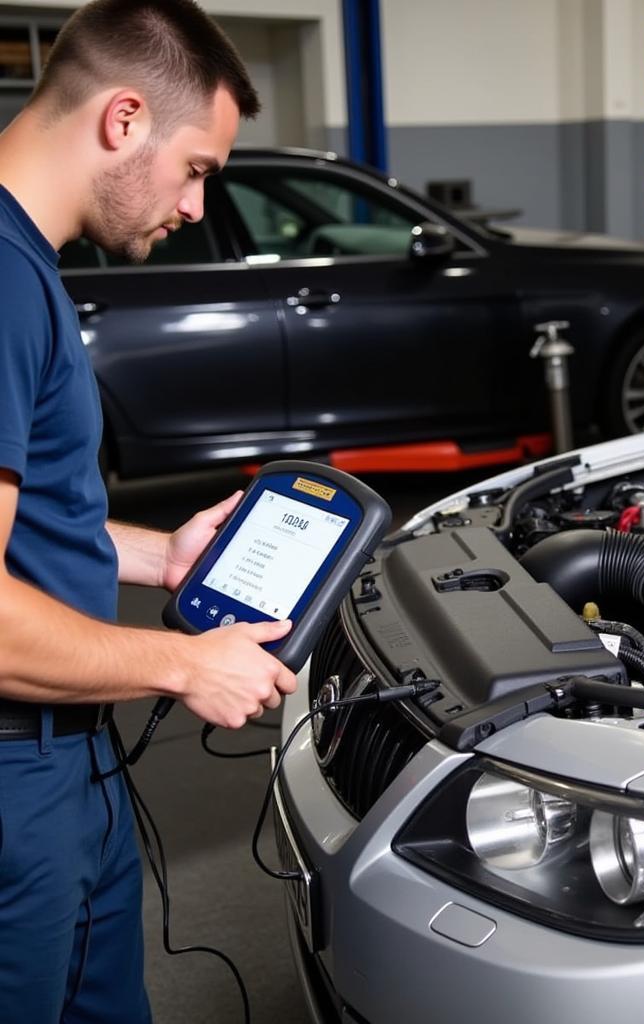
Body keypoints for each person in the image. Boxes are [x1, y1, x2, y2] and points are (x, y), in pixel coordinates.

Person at [0, 2, 298, 1020]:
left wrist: (157, 553)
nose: (195, 204)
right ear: (124, 119)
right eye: (199, 169)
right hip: (14, 772)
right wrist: (182, 662)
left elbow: (34, 521)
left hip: (67, 755)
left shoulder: (26, 268)